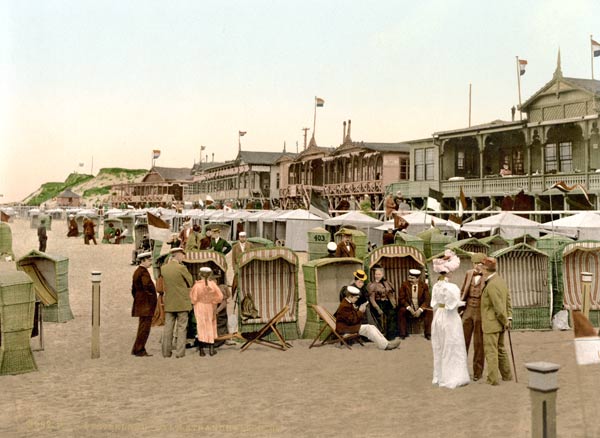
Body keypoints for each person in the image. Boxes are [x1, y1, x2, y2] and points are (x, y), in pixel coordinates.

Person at [430, 249, 470, 389]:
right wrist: (463, 304)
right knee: (452, 344)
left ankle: (440, 376)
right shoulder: (451, 287)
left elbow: (434, 303)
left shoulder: (436, 286)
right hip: (449, 317)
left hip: (439, 316)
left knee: (440, 345)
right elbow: (453, 304)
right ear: (448, 272)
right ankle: (453, 376)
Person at [480, 256, 513, 386]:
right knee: (500, 349)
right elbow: (508, 300)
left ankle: (492, 379)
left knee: (491, 351)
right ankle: (507, 375)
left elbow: (499, 307)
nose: (481, 269)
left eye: (482, 267)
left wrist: (505, 320)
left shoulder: (492, 285)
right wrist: (508, 318)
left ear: (486, 269)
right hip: (499, 323)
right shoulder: (500, 281)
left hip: (491, 323)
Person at [335, 286, 401, 350]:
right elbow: (353, 321)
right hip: (345, 329)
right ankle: (385, 345)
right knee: (369, 328)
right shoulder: (345, 306)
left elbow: (351, 319)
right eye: (356, 298)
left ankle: (386, 343)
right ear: (350, 297)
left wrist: (358, 311)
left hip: (347, 327)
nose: (356, 299)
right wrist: (360, 311)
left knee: (371, 327)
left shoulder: (347, 303)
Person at [161, 247, 194, 358]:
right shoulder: (181, 268)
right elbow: (190, 281)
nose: (183, 257)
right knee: (181, 328)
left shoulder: (164, 268)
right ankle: (180, 353)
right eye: (182, 255)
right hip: (182, 302)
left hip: (169, 302)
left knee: (168, 328)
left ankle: (166, 352)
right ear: (178, 255)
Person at [459, 252, 487, 381]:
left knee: (479, 343)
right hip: (468, 309)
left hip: (481, 311)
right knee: (462, 341)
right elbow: (463, 289)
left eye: (480, 264)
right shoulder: (469, 273)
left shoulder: (488, 276)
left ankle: (477, 372)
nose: (478, 266)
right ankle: (460, 370)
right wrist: (460, 307)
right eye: (476, 264)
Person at [189, 267, 223, 357]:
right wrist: (213, 301)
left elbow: (193, 299)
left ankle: (201, 351)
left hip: (199, 307)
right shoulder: (213, 284)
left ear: (200, 274)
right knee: (210, 326)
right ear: (210, 275)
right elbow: (220, 297)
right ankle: (211, 350)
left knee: (201, 326)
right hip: (210, 307)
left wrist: (195, 302)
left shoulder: (197, 286)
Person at [131, 251, 157, 357]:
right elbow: (147, 286)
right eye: (149, 260)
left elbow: (133, 290)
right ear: (143, 261)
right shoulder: (143, 272)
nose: (150, 262)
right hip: (146, 304)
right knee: (144, 328)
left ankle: (137, 348)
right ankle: (139, 349)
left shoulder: (137, 271)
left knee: (142, 327)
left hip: (140, 303)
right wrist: (151, 297)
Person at [398, 268, 432, 340]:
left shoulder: (424, 286)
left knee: (429, 311)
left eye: (412, 278)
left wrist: (420, 310)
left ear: (417, 279)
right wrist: (410, 308)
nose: (410, 280)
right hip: (408, 308)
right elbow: (401, 299)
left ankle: (428, 334)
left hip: (420, 308)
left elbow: (427, 300)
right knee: (401, 311)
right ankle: (403, 334)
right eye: (409, 277)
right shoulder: (404, 285)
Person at [367, 266, 398, 341]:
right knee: (378, 316)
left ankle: (390, 335)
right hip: (377, 303)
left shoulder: (386, 283)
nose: (377, 276)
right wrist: (378, 308)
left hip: (386, 302)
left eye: (379, 274)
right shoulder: (372, 285)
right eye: (376, 274)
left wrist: (394, 304)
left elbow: (390, 295)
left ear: (382, 275)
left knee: (392, 314)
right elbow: (372, 299)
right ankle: (379, 335)